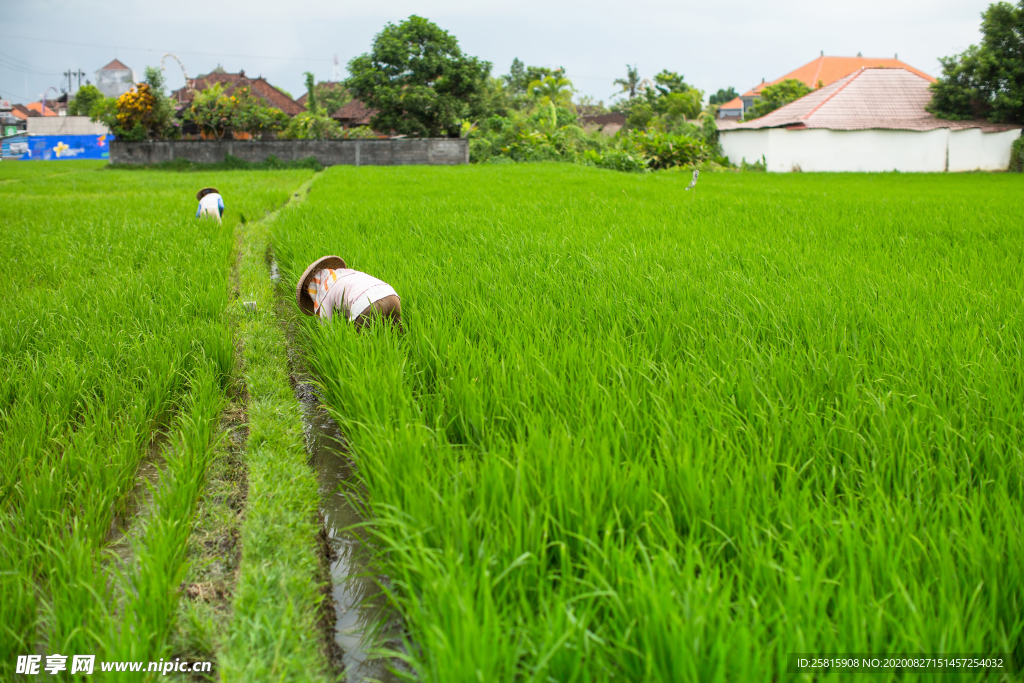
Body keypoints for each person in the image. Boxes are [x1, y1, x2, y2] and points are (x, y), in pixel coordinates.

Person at [296, 255, 402, 331]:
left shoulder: (324, 292)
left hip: (367, 305)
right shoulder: (347, 274)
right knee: (397, 338)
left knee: (361, 349)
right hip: (391, 295)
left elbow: (327, 328)